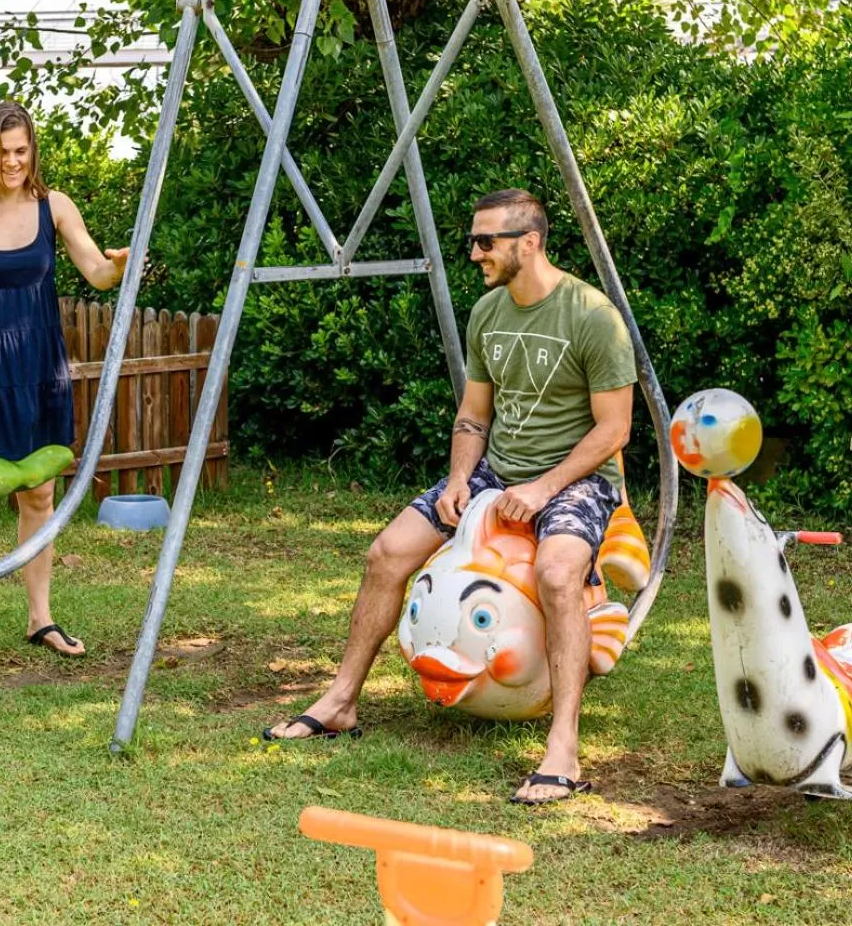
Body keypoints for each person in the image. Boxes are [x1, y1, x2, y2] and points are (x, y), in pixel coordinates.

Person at [265, 188, 637, 806]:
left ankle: (563, 748)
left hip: (575, 480)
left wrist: (543, 488)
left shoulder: (591, 316)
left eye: (485, 241)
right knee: (387, 553)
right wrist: (463, 479)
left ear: (530, 242)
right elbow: (472, 415)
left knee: (558, 571)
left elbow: (614, 430)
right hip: (496, 470)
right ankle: (341, 702)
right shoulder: (488, 313)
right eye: (473, 240)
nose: (474, 253)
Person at [0, 101, 129, 672]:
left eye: (21, 150)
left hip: (41, 367)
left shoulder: (55, 207)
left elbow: (95, 271)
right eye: (1, 152)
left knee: (38, 494)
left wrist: (119, 264)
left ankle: (40, 617)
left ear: (32, 149)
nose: (12, 161)